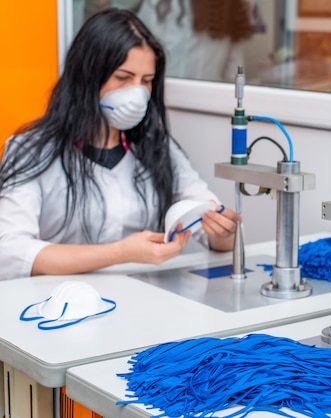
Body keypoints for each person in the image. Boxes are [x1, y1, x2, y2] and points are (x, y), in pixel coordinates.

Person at [0, 9, 240, 280]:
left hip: (138, 302)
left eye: (146, 81)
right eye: (123, 78)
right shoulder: (30, 150)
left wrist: (224, 232)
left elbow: (214, 235)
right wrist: (120, 253)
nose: (137, 93)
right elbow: (9, 252)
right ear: (88, 77)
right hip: (58, 305)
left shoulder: (158, 148)